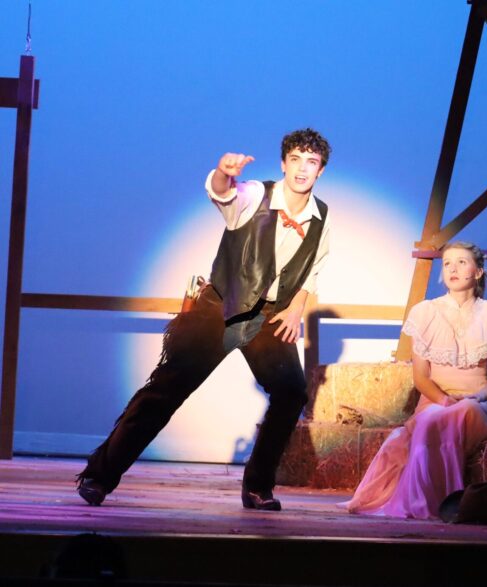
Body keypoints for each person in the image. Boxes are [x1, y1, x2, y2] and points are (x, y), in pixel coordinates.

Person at [76, 128, 332, 511]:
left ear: (320, 171)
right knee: (166, 389)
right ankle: (98, 476)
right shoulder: (255, 195)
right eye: (295, 159)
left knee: (292, 391)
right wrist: (223, 173)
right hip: (222, 308)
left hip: (267, 316)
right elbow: (222, 194)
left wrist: (297, 307)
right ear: (283, 163)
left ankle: (258, 487)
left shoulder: (321, 215)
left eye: (311, 162)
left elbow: (314, 267)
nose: (301, 169)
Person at [343, 241, 487, 519]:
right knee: (432, 420)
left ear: (478, 272)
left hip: (480, 405)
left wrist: (478, 396)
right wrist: (445, 400)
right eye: (447, 264)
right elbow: (421, 377)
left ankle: (451, 503)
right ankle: (428, 503)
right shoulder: (425, 312)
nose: (453, 269)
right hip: (437, 401)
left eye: (461, 262)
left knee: (464, 411)